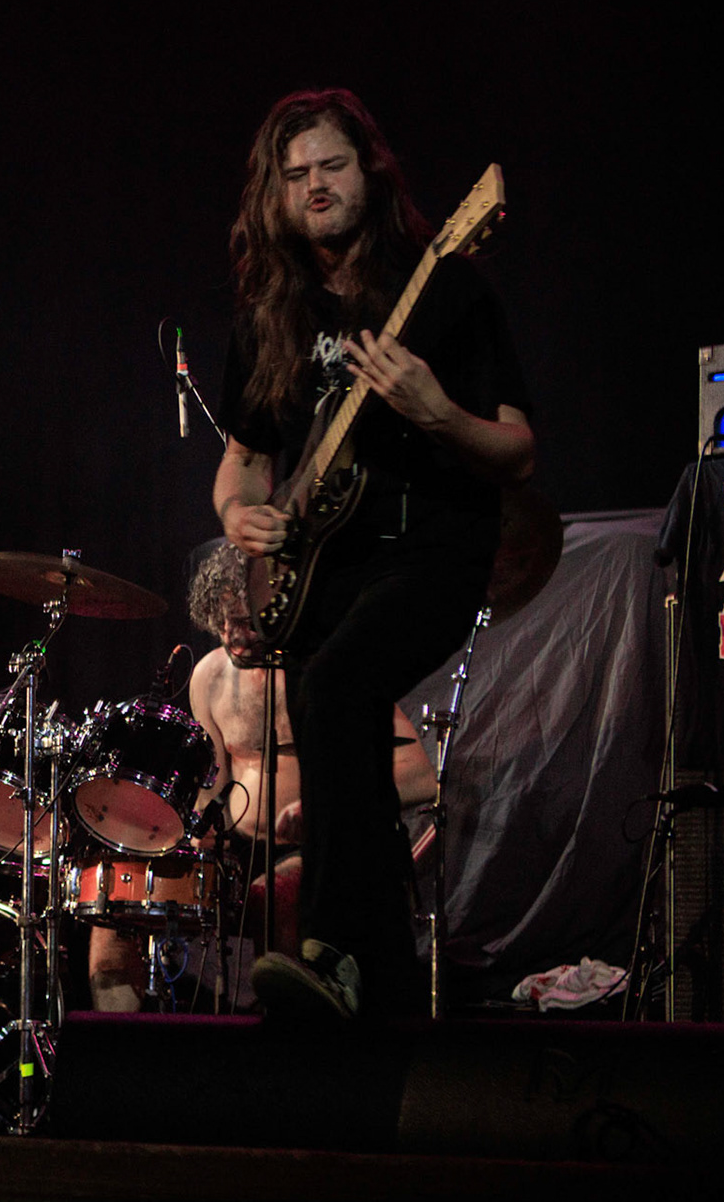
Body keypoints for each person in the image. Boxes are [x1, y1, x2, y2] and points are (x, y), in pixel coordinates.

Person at [213, 90, 533, 1018]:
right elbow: (243, 462)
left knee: (338, 688)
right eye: (295, 174)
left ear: (372, 172)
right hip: (322, 573)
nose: (314, 186)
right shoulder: (270, 314)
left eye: (332, 165)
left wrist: (437, 413)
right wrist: (241, 515)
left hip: (432, 552)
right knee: (331, 735)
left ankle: (331, 948)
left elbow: (518, 450)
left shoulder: (446, 289)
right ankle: (378, 979)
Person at [85, 544, 437, 1012]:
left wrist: (328, 803)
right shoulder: (209, 676)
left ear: (279, 610)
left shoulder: (329, 673)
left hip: (317, 850)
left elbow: (421, 776)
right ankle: (123, 1049)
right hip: (238, 853)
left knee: (276, 897)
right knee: (116, 901)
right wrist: (192, 834)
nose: (233, 636)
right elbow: (211, 787)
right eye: (222, 621)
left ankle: (287, 1040)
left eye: (247, 621)